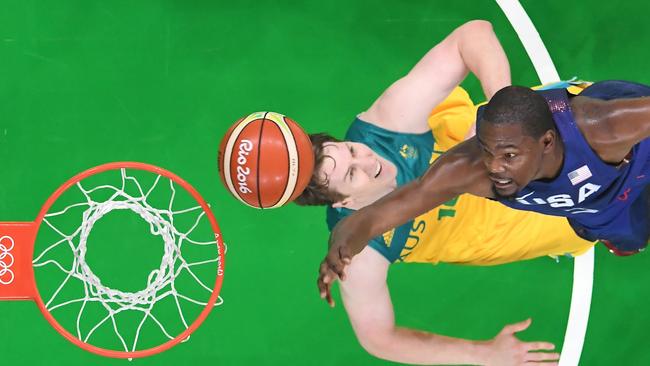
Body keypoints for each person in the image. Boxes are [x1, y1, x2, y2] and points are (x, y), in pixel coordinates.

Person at [297, 20, 595, 365]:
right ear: (345, 202)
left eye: (349, 150)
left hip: (546, 136)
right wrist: (481, 354)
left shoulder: (388, 124)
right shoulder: (360, 251)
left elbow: (473, 34)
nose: (364, 159)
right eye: (352, 174)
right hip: (542, 223)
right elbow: (378, 338)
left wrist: (499, 111)